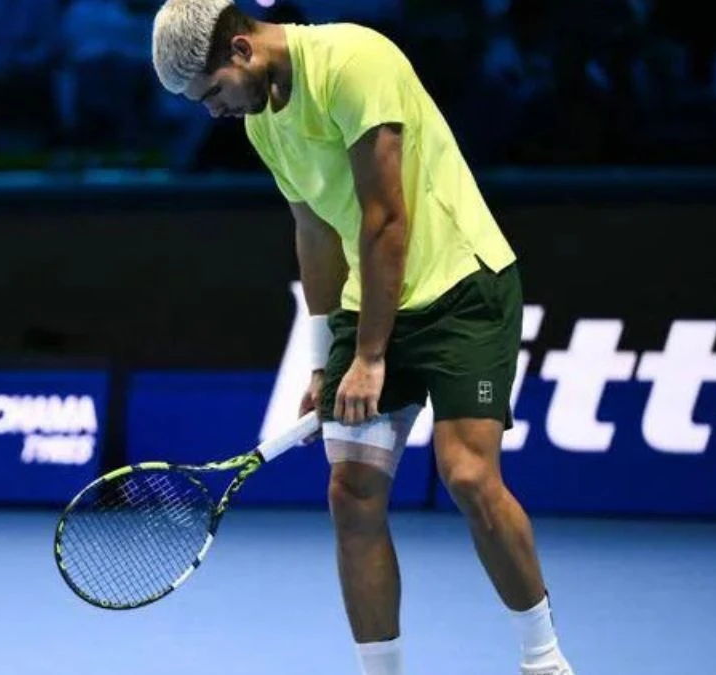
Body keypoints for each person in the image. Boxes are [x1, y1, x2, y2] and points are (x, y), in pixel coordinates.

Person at [149, 2, 575, 675]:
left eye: (211, 93)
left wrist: (371, 356)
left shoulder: (354, 61)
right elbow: (316, 234)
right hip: (367, 297)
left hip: (462, 288)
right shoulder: (262, 122)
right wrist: (325, 364)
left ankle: (543, 659)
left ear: (241, 51)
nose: (212, 111)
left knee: (468, 474)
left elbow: (386, 219)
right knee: (351, 493)